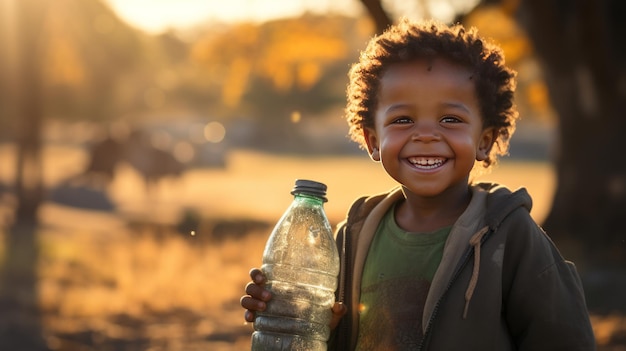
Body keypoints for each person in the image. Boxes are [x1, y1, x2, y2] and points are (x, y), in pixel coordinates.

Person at [241, 18, 596, 350]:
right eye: (403, 119)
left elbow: (564, 338)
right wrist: (293, 315)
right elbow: (331, 333)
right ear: (373, 141)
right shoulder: (352, 237)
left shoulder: (511, 236)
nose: (426, 134)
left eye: (450, 118)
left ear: (484, 140)